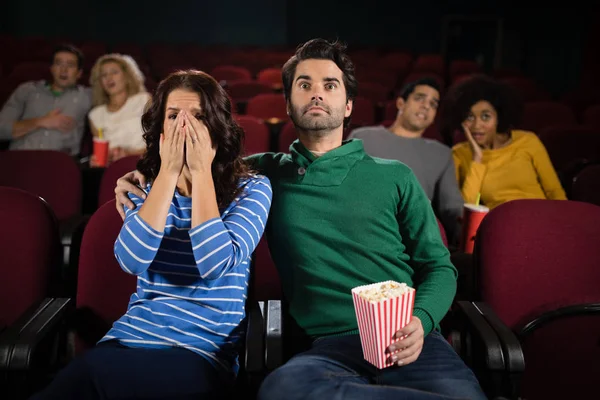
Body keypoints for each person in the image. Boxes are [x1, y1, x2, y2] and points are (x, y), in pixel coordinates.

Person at [114, 39, 486, 400]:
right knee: (280, 389)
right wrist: (140, 174)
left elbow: (439, 267)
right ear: (289, 104)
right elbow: (193, 162)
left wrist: (421, 321)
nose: (317, 93)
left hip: (409, 339)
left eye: (330, 85)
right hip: (327, 349)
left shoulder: (396, 176)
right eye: (304, 85)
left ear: (349, 105)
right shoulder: (260, 176)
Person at [30, 70, 272, 399]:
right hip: (126, 343)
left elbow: (214, 264)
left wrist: (200, 172)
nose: (184, 127)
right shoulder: (143, 188)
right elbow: (131, 260)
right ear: (159, 129)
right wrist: (169, 173)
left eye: (198, 116)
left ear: (216, 127)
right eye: (173, 116)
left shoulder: (252, 189)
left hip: (199, 353)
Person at [348, 78, 463, 244]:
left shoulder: (442, 154)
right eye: (419, 98)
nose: (426, 106)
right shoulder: (363, 137)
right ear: (401, 103)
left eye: (433, 104)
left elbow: (452, 208)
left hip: (408, 237)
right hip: (359, 227)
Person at [443, 74, 566, 209]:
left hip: (541, 216)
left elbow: (554, 191)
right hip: (503, 224)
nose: (477, 125)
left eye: (486, 116)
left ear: (499, 117)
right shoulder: (459, 153)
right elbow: (468, 207)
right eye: (470, 117)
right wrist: (477, 159)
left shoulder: (528, 140)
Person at [0, 44, 92, 155]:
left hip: (59, 164)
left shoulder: (87, 95)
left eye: (70, 65)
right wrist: (40, 122)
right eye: (58, 63)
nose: (64, 70)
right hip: (20, 159)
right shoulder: (27, 90)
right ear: (52, 69)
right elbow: (1, 129)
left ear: (79, 73)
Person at [88, 53, 151, 165]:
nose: (109, 78)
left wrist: (128, 154)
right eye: (104, 75)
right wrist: (98, 161)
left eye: (114, 72)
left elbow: (159, 143)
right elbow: (101, 153)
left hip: (144, 165)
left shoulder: (144, 100)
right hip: (113, 171)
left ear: (127, 76)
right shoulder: (96, 115)